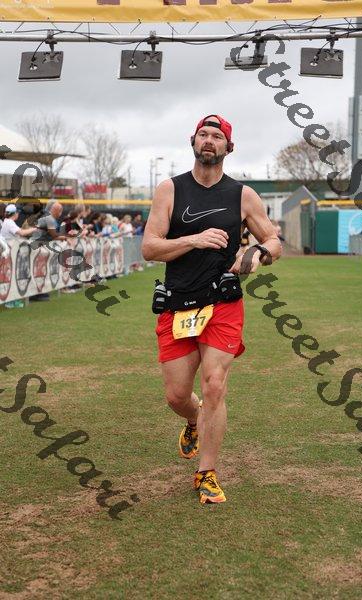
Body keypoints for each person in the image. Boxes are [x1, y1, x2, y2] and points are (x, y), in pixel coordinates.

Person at [142, 114, 282, 504]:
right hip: (177, 303)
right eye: (203, 134)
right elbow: (149, 247)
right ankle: (193, 418)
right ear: (193, 142)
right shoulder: (169, 189)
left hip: (222, 302)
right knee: (177, 395)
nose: (209, 140)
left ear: (228, 147)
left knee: (215, 384)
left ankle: (206, 472)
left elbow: (274, 241)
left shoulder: (242, 195)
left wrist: (256, 253)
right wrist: (194, 239)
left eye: (217, 136)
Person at [0, 203, 37, 308]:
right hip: (9, 254)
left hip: (10, 254)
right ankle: (9, 302)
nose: (18, 214)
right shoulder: (9, 222)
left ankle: (11, 300)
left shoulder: (8, 222)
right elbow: (21, 233)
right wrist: (34, 229)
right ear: (14, 213)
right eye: (17, 212)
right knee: (10, 278)